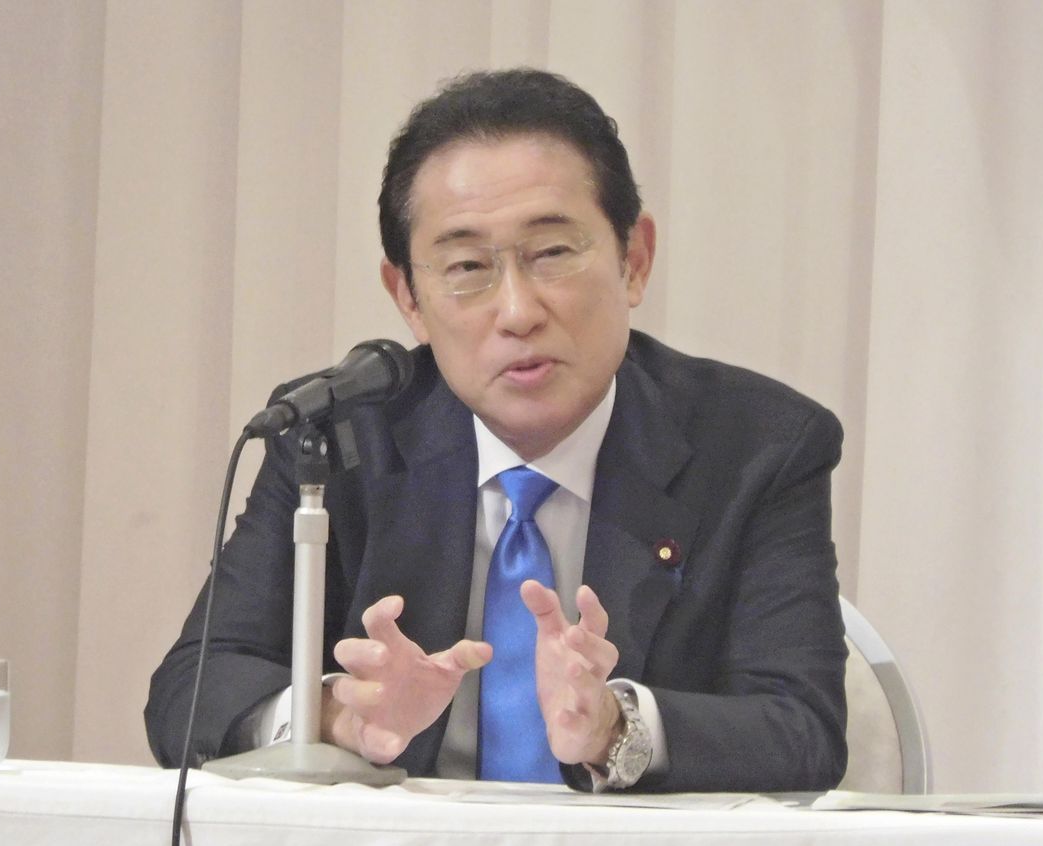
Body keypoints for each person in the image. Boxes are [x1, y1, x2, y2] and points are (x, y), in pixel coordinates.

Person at [145, 68, 848, 793]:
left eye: (552, 253)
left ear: (633, 260)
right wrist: (335, 717)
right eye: (467, 266)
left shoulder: (758, 447)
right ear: (408, 298)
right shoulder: (339, 437)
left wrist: (615, 728)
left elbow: (803, 729)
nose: (517, 311)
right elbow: (189, 690)